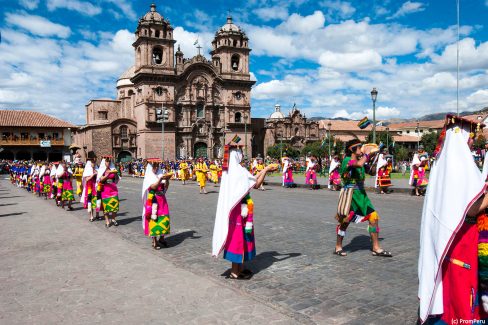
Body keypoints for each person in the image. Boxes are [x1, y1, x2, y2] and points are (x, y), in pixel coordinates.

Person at [418, 115, 487, 323]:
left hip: (450, 239)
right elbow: (471, 208)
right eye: (471, 134)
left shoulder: (445, 161)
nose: (473, 140)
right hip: (463, 239)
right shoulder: (458, 162)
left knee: (450, 287)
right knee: (463, 294)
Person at [212, 141, 278, 279]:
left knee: (237, 238)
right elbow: (257, 184)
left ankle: (239, 268)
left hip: (235, 210)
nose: (242, 154)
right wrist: (266, 170)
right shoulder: (240, 171)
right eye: (240, 152)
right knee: (239, 239)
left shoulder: (231, 171)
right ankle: (235, 272)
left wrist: (264, 169)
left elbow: (252, 179)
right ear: (236, 155)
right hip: (240, 212)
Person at [334, 139, 392, 257]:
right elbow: (358, 164)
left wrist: (376, 158)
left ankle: (376, 248)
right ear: (352, 149)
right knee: (345, 221)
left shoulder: (361, 161)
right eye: (359, 147)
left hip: (362, 195)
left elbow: (371, 172)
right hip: (351, 195)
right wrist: (367, 154)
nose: (362, 149)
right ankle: (338, 246)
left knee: (374, 217)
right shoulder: (347, 160)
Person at [142, 159, 172, 249]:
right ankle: (154, 241)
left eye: (157, 166)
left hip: (162, 199)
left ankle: (162, 238)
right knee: (154, 218)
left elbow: (165, 187)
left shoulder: (160, 174)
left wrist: (167, 180)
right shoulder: (149, 176)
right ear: (150, 166)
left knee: (165, 217)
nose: (156, 167)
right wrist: (160, 179)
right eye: (154, 166)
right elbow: (153, 186)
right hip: (153, 199)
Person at [97, 156, 120, 228]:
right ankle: (107, 221)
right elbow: (100, 179)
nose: (108, 163)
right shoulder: (102, 170)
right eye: (107, 161)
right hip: (105, 189)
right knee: (106, 207)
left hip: (113, 188)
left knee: (115, 205)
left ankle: (113, 219)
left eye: (109, 161)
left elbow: (116, 179)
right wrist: (107, 175)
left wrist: (116, 173)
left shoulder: (112, 169)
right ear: (104, 162)